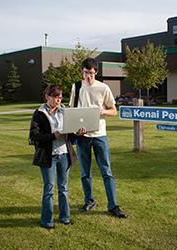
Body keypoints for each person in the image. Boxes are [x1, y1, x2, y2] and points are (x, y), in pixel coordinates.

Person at [69, 58, 127, 218]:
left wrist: (103, 112)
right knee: (84, 172)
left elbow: (114, 110)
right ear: (82, 71)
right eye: (86, 73)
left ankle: (113, 205)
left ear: (96, 72)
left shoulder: (103, 88)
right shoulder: (77, 87)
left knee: (106, 172)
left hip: (100, 135)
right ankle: (89, 201)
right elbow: (72, 111)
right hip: (82, 136)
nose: (89, 76)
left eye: (92, 73)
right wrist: (75, 130)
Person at [29, 85, 86, 229]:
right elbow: (34, 136)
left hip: (64, 155)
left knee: (63, 188)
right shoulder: (39, 113)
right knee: (49, 189)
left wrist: (78, 133)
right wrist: (53, 136)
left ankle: (65, 218)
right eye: (55, 97)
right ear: (47, 97)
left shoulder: (65, 112)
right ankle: (47, 221)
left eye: (60, 97)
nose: (58, 100)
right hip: (48, 156)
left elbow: (70, 134)